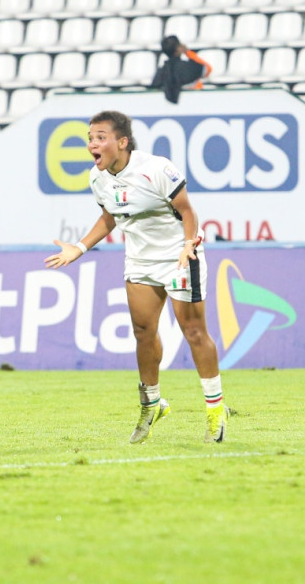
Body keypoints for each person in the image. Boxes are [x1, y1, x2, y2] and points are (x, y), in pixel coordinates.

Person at [45, 110, 229, 445]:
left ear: (122, 142)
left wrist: (189, 244)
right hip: (140, 260)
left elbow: (187, 211)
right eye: (90, 138)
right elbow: (109, 217)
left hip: (178, 255)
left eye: (100, 137)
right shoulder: (97, 178)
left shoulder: (156, 168)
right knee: (143, 333)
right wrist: (80, 248)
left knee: (193, 332)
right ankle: (152, 405)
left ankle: (216, 410)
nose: (92, 144)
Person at [151, 35, 213, 104]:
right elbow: (208, 69)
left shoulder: (161, 71)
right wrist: (188, 52)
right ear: (179, 49)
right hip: (193, 104)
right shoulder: (189, 67)